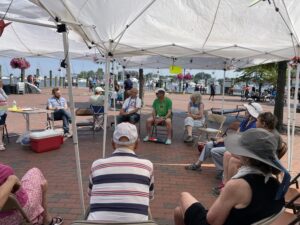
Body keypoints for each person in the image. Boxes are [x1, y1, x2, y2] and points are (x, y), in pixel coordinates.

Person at [175, 128, 287, 225]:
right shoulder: (276, 185)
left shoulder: (239, 185)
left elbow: (212, 221)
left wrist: (225, 191)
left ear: (247, 156)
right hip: (246, 220)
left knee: (183, 195)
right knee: (179, 212)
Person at [87, 123, 154, 221]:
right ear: (137, 144)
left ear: (112, 143)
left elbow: (90, 193)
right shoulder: (147, 166)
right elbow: (150, 196)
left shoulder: (97, 165)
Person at [185, 102, 263, 177]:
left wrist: (224, 140)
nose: (245, 111)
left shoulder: (254, 125)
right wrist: (223, 139)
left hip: (240, 148)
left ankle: (222, 171)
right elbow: (237, 135)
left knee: (214, 151)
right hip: (236, 143)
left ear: (251, 113)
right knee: (209, 144)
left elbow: (242, 139)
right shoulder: (245, 121)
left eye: (247, 110)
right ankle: (197, 164)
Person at [222, 112, 283, 185]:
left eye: (257, 121)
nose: (256, 123)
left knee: (232, 160)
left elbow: (257, 154)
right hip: (259, 158)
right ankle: (226, 183)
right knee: (228, 154)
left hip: (263, 163)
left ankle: (229, 185)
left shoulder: (267, 136)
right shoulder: (269, 132)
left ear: (263, 123)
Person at [0, 81, 8, 151]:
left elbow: (6, 97)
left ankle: (1, 142)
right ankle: (0, 144)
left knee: (1, 126)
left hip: (4, 110)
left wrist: (2, 91)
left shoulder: (1, 90)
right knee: (0, 127)